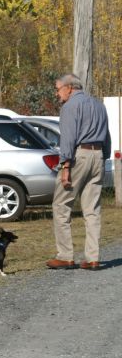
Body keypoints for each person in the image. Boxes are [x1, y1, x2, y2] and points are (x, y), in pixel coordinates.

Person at [46, 74, 111, 270]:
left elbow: (68, 138)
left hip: (79, 156)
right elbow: (107, 135)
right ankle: (93, 258)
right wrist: (103, 156)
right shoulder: (99, 105)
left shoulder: (70, 106)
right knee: (92, 210)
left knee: (61, 205)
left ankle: (65, 256)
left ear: (70, 88)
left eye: (58, 89)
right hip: (98, 155)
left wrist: (65, 166)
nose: (57, 94)